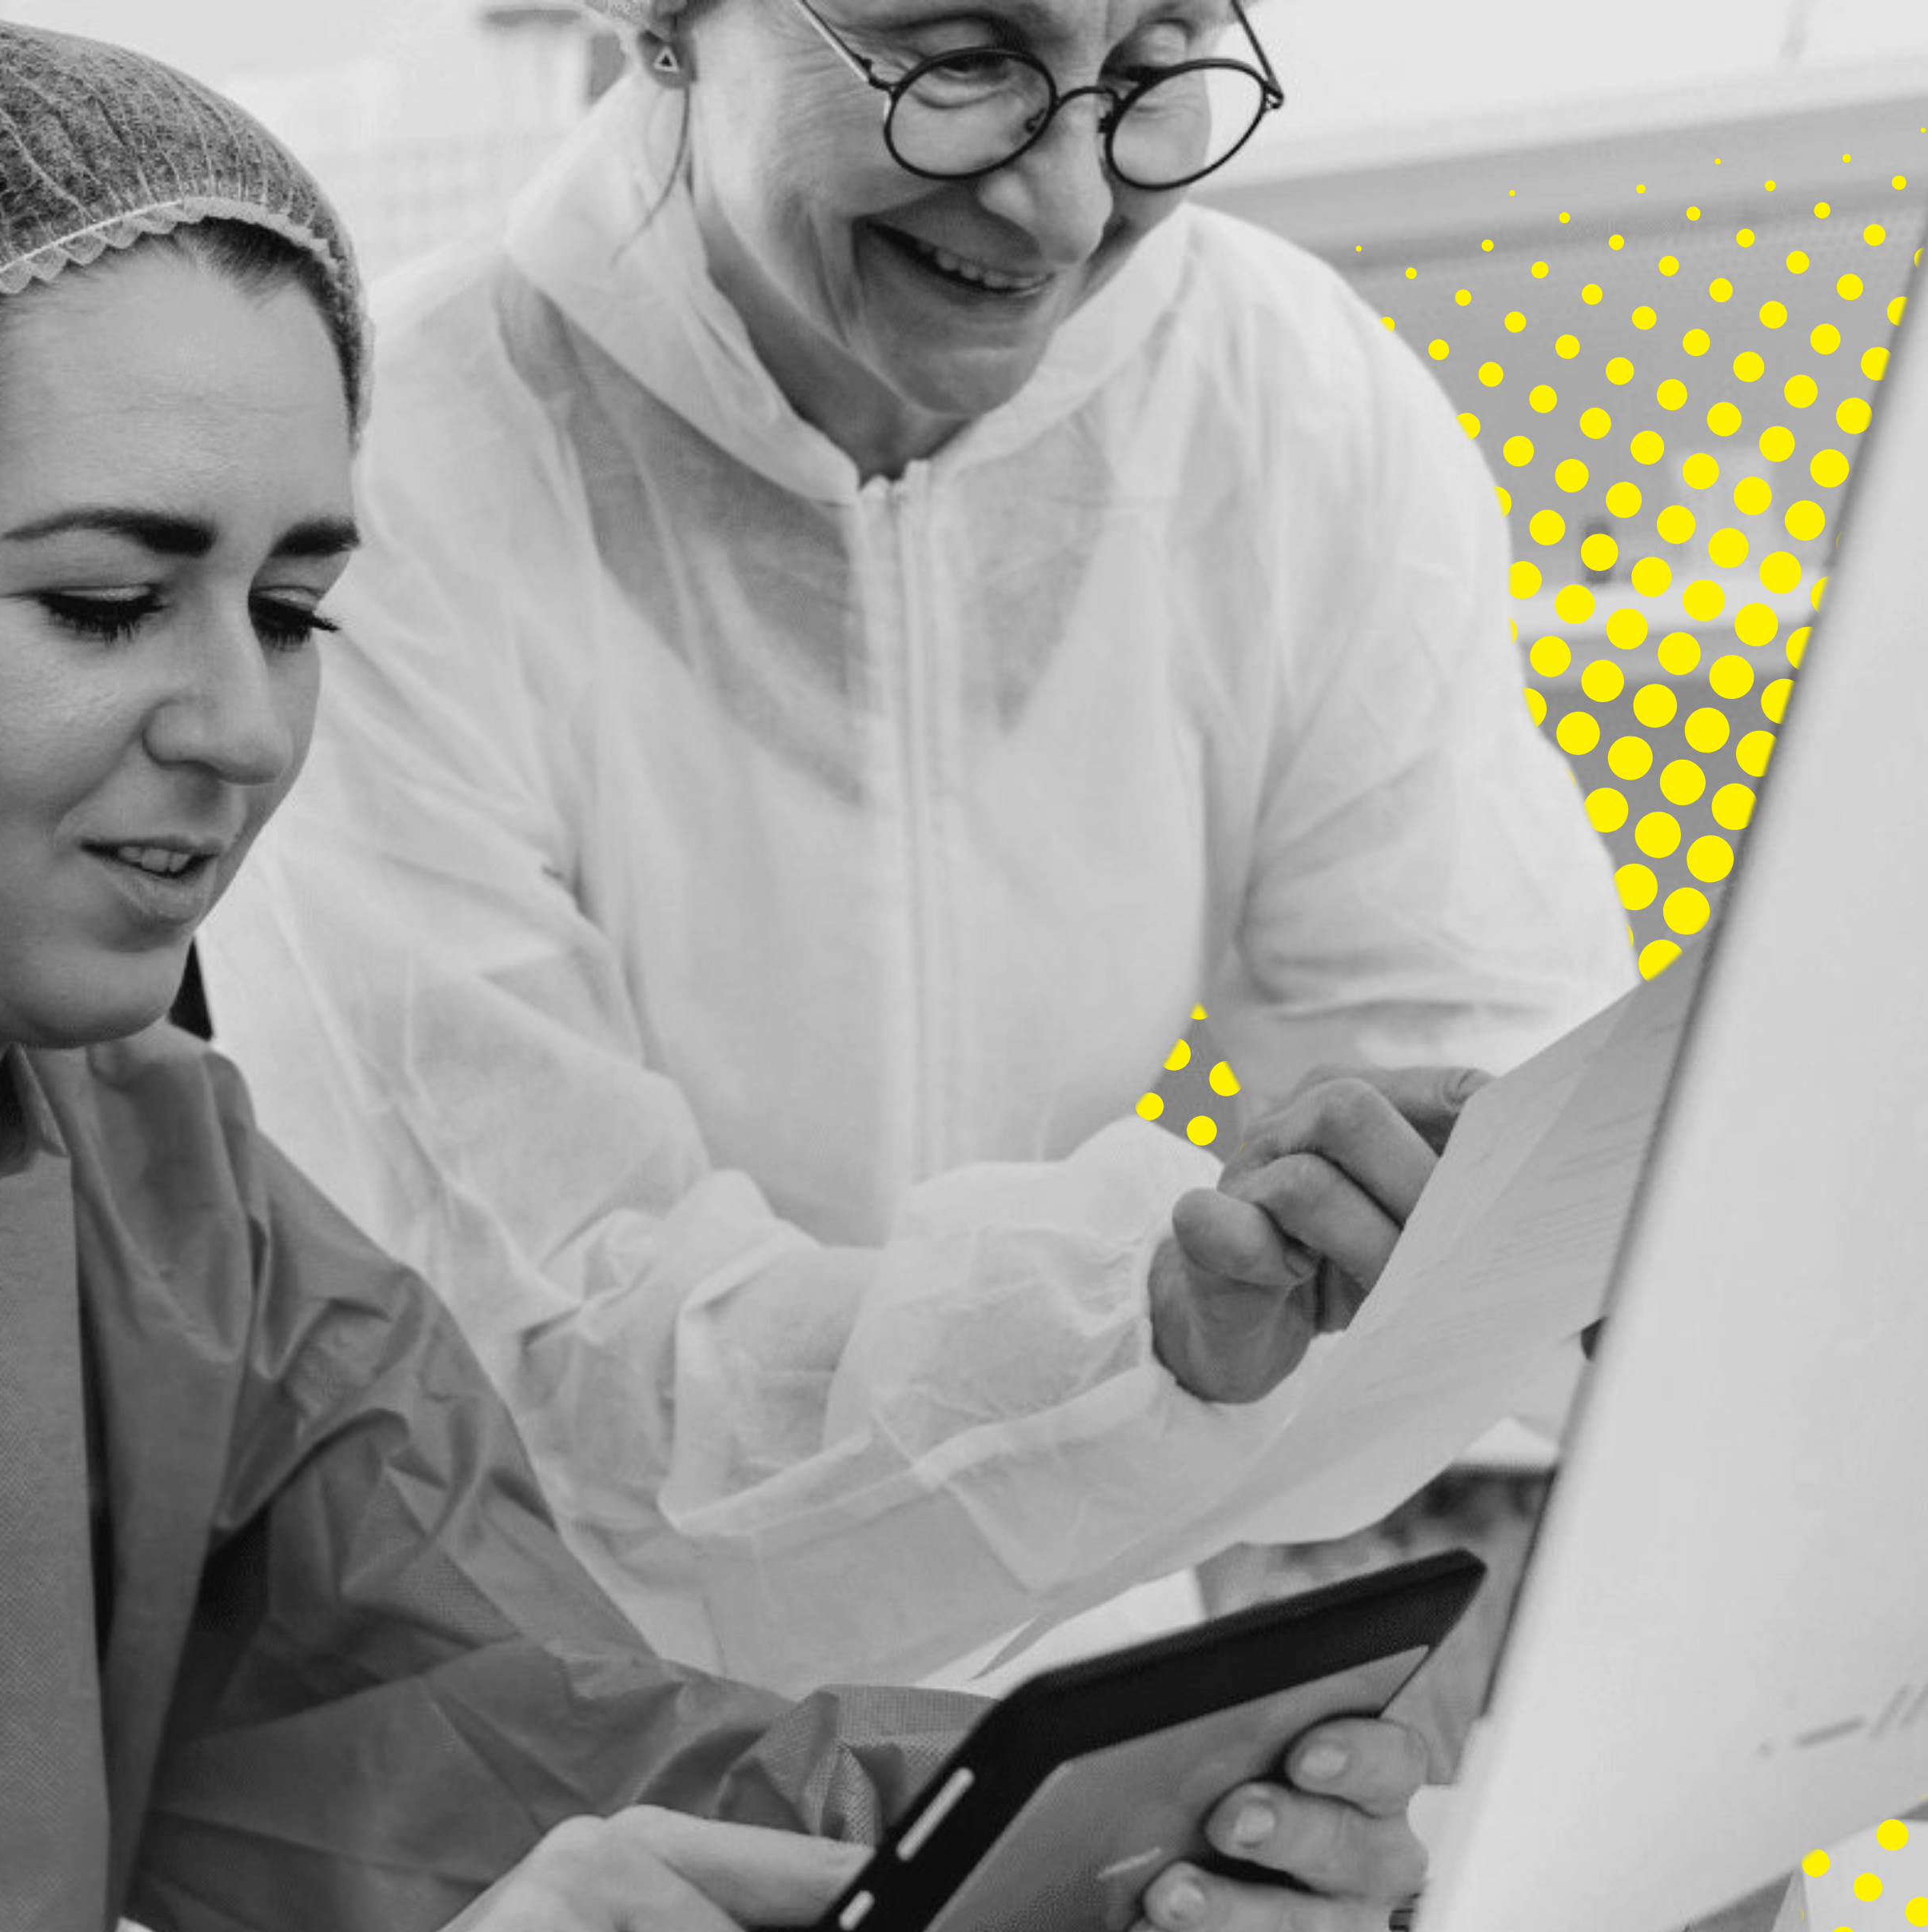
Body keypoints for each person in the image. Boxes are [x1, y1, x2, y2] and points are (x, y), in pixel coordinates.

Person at [0, 19, 1431, 1932]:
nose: (236, 724)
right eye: (99, 599)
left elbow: (540, 1754)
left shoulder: (176, 1202)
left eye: (288, 607)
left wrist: (1152, 1840)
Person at [200, 0, 1638, 1689]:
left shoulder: (1277, 401)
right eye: (961, 56)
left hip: (1072, 1645)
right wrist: (1142, 1327)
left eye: (1151, 64)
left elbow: (1476, 1079)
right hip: (546, 1715)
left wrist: (1393, 1237)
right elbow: (572, 1363)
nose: (1071, 205)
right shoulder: (392, 493)